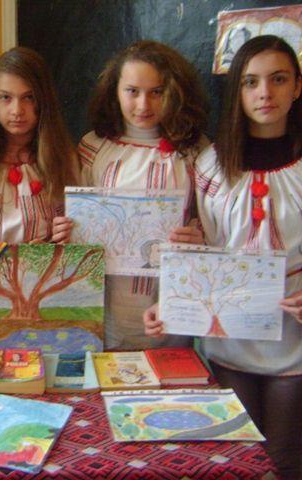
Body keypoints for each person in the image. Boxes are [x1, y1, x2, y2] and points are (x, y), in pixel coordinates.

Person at [144, 35, 302, 479]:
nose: (265, 93)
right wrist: (171, 301)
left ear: (297, 87)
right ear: (238, 92)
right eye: (251, 82)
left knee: (286, 460)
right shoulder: (210, 165)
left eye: (278, 79)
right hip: (228, 342)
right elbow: (203, 252)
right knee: (235, 462)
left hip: (294, 341)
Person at [77, 40, 209, 350]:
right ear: (115, 91)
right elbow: (75, 217)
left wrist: (199, 236)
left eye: (156, 92)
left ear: (174, 92)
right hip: (105, 303)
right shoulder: (93, 147)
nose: (143, 105)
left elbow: (212, 223)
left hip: (168, 301)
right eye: (132, 91)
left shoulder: (196, 152)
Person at [0, 47, 78, 244]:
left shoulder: (63, 158)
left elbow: (74, 229)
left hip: (42, 263)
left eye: (28, 97)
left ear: (43, 100)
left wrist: (59, 240)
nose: (17, 110)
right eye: (6, 97)